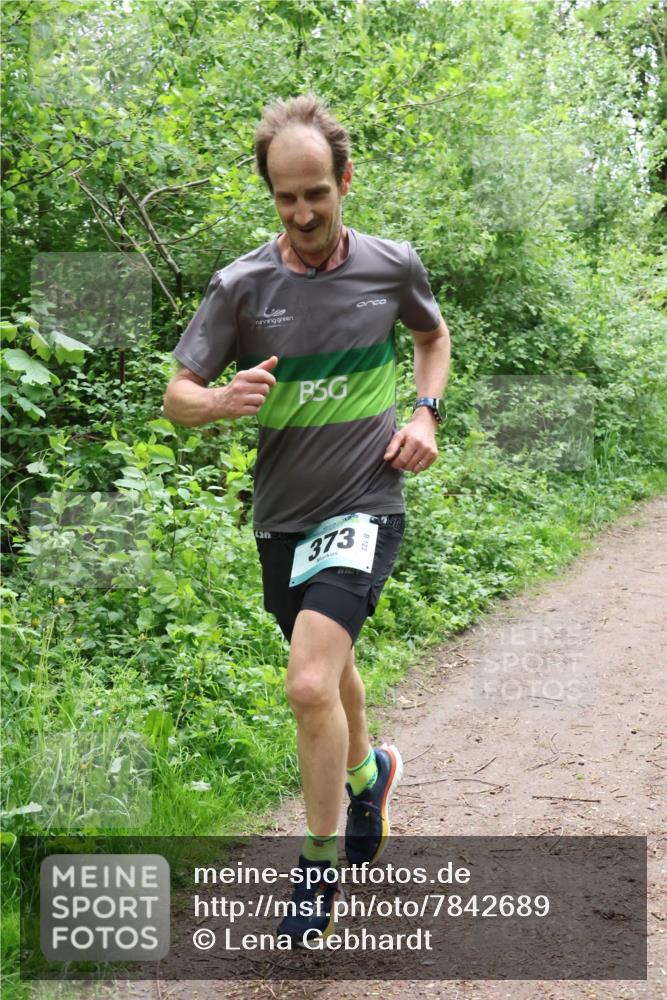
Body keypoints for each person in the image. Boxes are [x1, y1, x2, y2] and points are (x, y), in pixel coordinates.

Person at [163, 94, 450, 946]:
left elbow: (431, 337)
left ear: (344, 182)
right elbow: (177, 397)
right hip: (281, 515)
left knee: (306, 682)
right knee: (324, 667)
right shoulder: (241, 285)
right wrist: (217, 402)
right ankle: (370, 773)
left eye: (316, 193)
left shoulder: (391, 267)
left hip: (367, 498)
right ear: (270, 195)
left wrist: (424, 414)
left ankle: (317, 869)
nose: (302, 213)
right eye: (285, 197)